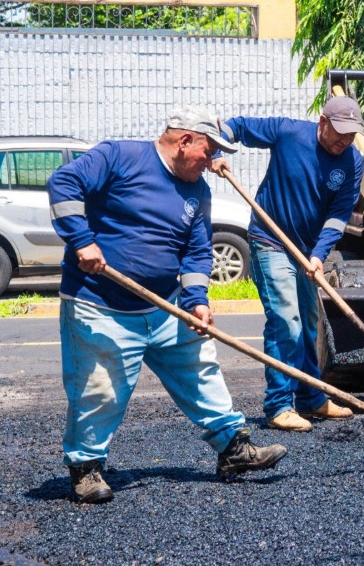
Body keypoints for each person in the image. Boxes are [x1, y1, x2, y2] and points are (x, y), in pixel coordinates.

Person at [47, 105, 287, 504]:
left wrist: (196, 301)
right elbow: (63, 184)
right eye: (208, 151)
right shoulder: (119, 157)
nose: (212, 162)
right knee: (99, 390)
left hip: (163, 305)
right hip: (100, 303)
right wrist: (81, 240)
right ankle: (86, 469)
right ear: (184, 140)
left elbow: (197, 252)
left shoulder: (197, 189)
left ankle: (234, 449)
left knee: (200, 369)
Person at [218, 96, 364, 432]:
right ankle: (278, 405)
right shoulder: (288, 133)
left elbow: (339, 213)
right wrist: (216, 153)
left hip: (308, 251)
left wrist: (319, 254)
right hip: (270, 241)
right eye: (339, 132)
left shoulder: (353, 161)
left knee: (309, 326)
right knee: (287, 321)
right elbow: (234, 126)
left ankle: (311, 398)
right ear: (322, 122)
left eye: (351, 135)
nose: (344, 141)